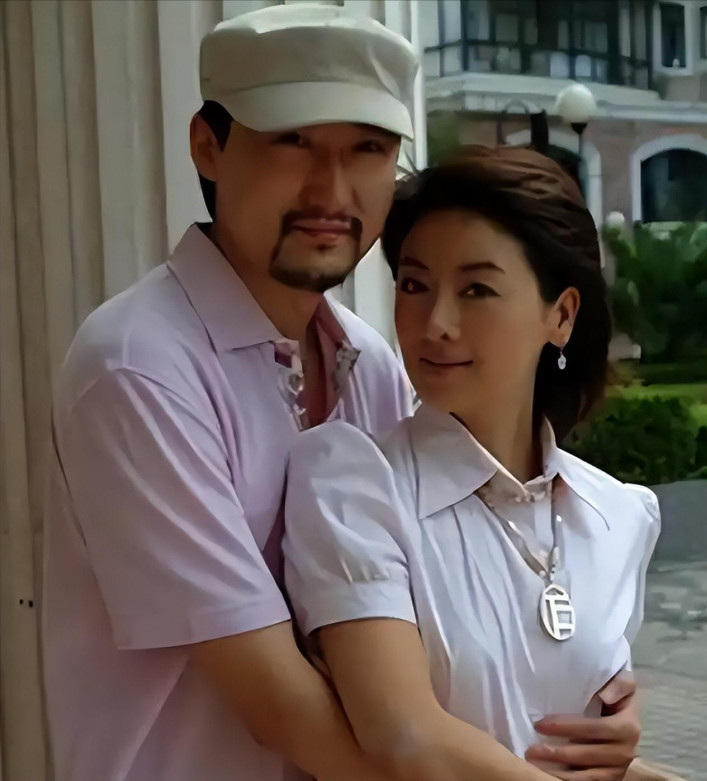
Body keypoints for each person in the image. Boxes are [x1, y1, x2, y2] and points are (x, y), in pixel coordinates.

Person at [42, 3, 641, 780]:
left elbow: (439, 641)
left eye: (368, 149)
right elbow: (289, 709)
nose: (331, 189)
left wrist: (596, 703)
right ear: (208, 146)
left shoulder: (372, 364)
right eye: (292, 140)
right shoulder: (140, 370)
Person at [284, 146, 661, 781]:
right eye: (414, 285)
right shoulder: (355, 484)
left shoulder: (619, 514)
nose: (436, 322)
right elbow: (405, 737)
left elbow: (582, 755)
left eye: (476, 289)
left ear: (560, 315)